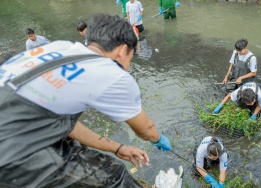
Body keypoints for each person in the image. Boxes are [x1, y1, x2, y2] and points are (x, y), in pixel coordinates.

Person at [0, 14, 171, 187]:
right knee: (114, 177)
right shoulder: (112, 73)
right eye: (131, 57)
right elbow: (146, 129)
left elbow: (66, 125)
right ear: (122, 50)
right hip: (13, 151)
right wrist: (158, 138)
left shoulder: (60, 47)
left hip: (14, 123)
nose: (128, 64)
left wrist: (118, 148)